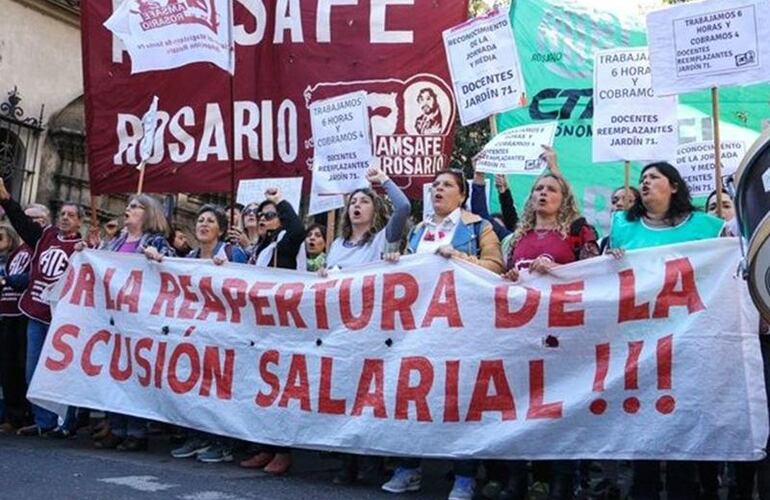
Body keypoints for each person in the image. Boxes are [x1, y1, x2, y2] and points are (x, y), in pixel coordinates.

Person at [382, 169, 503, 500]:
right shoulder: (420, 231)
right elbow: (408, 275)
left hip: (464, 326)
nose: (438, 189)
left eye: (447, 185)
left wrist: (461, 258)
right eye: (435, 185)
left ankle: (464, 475)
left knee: (459, 398)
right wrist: (397, 262)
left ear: (462, 195)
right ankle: (408, 468)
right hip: (420, 329)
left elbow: (496, 266)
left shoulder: (479, 227)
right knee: (414, 396)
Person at [609, 162, 724, 500]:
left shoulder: (708, 227)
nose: (645, 183)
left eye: (654, 178)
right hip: (640, 344)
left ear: (674, 186)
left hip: (688, 342)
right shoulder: (622, 227)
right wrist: (611, 260)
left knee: (682, 425)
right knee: (643, 425)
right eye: (642, 179)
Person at [499, 170, 599, 500]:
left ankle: (560, 480)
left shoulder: (577, 232)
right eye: (538, 188)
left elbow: (596, 274)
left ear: (563, 197)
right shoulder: (517, 238)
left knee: (558, 406)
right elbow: (504, 279)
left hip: (562, 334)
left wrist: (558, 270)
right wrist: (512, 275)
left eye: (551, 189)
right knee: (520, 405)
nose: (543, 193)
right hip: (523, 334)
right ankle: (517, 478)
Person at [321, 166, 410, 485]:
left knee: (369, 398)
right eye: (353, 201)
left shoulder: (383, 241)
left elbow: (404, 208)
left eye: (364, 201)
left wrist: (383, 180)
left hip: (372, 331)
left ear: (375, 208)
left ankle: (370, 464)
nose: (357, 205)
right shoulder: (337, 246)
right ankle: (346, 463)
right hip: (341, 332)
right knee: (344, 396)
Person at [0, 178, 84, 436]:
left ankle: (65, 422)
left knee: (61, 371)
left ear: (80, 221)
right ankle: (43, 421)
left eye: (71, 215)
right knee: (33, 370)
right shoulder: (45, 237)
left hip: (63, 318)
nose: (66, 218)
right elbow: (23, 225)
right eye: (63, 214)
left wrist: (89, 251)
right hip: (36, 313)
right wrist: (6, 200)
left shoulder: (84, 248)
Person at [92, 194, 175, 451]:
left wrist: (159, 258)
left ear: (149, 214)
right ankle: (117, 428)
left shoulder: (156, 241)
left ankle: (136, 431)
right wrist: (86, 253)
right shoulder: (115, 244)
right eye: (128, 205)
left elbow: (174, 269)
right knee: (114, 372)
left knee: (135, 375)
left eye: (136, 206)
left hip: (140, 320)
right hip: (114, 319)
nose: (128, 209)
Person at [171, 204, 247, 463]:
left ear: (221, 229)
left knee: (220, 387)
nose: (203, 224)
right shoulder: (190, 257)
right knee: (194, 384)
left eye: (210, 221)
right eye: (200, 220)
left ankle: (224, 442)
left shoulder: (233, 253)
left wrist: (228, 271)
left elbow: (249, 288)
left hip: (225, 334)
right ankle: (197, 435)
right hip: (195, 333)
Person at [239, 187, 305, 475]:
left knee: (280, 386)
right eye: (259, 215)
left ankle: (283, 450)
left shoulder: (286, 243)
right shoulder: (263, 248)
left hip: (284, 324)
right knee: (261, 386)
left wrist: (280, 200)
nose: (263, 218)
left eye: (270, 214)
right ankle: (264, 446)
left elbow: (299, 228)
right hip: (260, 325)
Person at [0, 225, 32, 433]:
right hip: (5, 314)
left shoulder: (35, 250)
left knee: (21, 366)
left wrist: (6, 280)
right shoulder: (15, 255)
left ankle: (22, 414)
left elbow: (29, 279)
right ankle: (12, 414)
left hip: (22, 314)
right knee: (7, 367)